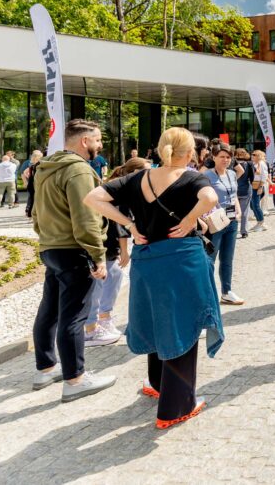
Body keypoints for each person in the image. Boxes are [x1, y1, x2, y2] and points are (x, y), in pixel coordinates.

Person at [84, 127, 224, 429]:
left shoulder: (138, 178)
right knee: (183, 324)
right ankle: (175, 407)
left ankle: (157, 384)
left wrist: (129, 224)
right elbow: (211, 197)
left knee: (158, 319)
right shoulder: (190, 177)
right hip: (181, 261)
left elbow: (93, 198)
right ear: (190, 152)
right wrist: (189, 220)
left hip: (147, 261)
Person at [30, 119, 116, 401]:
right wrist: (98, 255)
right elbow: (86, 216)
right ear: (84, 141)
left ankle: (45, 368)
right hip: (74, 249)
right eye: (98, 139)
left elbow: (36, 211)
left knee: (50, 311)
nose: (100, 145)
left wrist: (46, 237)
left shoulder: (46, 167)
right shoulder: (78, 170)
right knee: (73, 316)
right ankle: (75, 380)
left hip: (51, 247)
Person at [84, 156, 150, 347]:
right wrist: (124, 250)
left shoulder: (117, 187)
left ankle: (103, 318)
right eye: (145, 171)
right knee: (100, 282)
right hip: (105, 242)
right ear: (134, 172)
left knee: (112, 276)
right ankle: (91, 328)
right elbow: (121, 223)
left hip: (108, 242)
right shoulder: (121, 189)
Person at [204, 146, 244, 305]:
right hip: (216, 221)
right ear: (214, 157)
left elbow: (234, 195)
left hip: (232, 220)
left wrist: (239, 211)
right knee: (210, 259)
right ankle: (207, 293)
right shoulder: (206, 176)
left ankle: (227, 292)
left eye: (228, 157)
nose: (225, 160)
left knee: (227, 258)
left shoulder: (232, 174)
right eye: (222, 156)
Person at [233, 148, 254, 239]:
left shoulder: (232, 164)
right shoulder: (249, 164)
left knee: (232, 211)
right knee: (244, 212)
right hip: (246, 189)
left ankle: (232, 231)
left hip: (234, 190)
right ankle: (244, 231)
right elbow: (252, 177)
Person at [249, 149, 268, 232]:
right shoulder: (254, 164)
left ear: (258, 156)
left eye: (254, 155)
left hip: (258, 186)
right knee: (252, 205)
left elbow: (264, 176)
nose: (252, 156)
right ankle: (259, 222)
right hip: (253, 186)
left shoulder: (262, 164)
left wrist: (260, 187)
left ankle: (261, 223)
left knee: (255, 205)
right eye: (252, 154)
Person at [22, 150, 43, 217]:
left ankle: (30, 214)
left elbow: (24, 173)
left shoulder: (31, 166)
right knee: (36, 200)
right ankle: (34, 215)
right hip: (36, 184)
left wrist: (28, 178)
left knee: (32, 200)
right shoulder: (39, 165)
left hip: (31, 183)